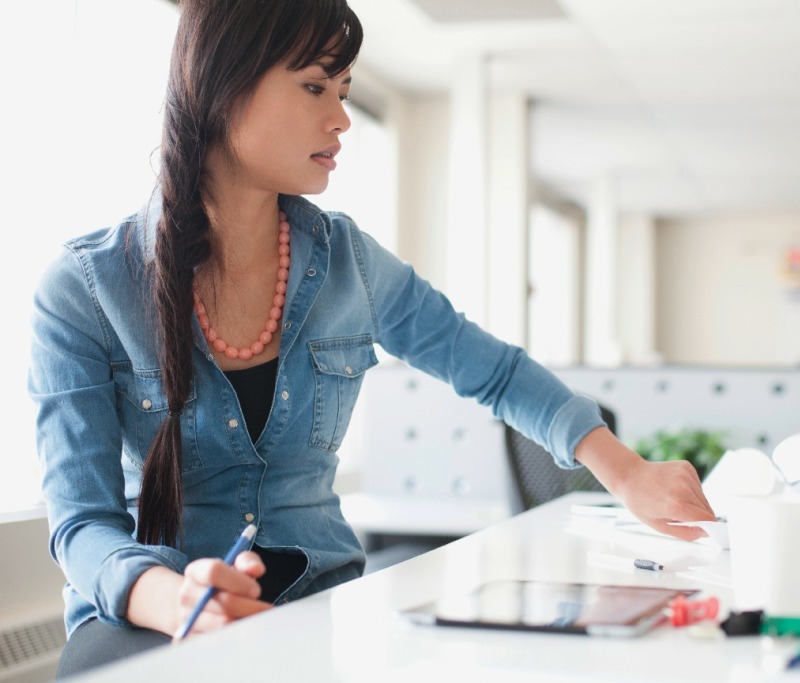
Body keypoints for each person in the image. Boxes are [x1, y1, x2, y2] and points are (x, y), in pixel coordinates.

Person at [28, 0, 714, 677]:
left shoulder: (347, 261)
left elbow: (493, 370)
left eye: (346, 91)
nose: (341, 118)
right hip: (149, 616)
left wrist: (627, 471)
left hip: (316, 605)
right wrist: (180, 600)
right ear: (223, 84)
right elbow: (82, 527)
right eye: (315, 86)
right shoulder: (85, 289)